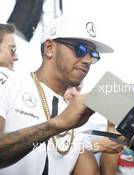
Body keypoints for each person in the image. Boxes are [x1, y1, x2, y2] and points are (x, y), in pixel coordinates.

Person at [0, 15, 113, 175]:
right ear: (49, 48)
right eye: (80, 50)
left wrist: (116, 130)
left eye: (93, 55)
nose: (87, 60)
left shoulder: (77, 116)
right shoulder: (7, 82)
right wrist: (57, 124)